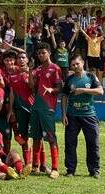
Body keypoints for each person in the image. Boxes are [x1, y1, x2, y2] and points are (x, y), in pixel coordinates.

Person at [61, 55, 103, 179]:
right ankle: (70, 170)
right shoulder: (69, 79)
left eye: (77, 64)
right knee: (70, 143)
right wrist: (63, 114)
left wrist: (84, 90)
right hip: (72, 116)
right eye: (73, 65)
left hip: (89, 115)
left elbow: (100, 91)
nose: (75, 66)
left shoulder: (91, 76)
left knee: (93, 143)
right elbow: (64, 96)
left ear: (83, 63)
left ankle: (94, 170)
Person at [28, 42, 62, 179]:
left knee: (51, 137)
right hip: (36, 106)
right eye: (39, 53)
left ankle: (55, 168)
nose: (41, 55)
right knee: (36, 137)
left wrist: (51, 90)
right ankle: (35, 166)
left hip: (48, 108)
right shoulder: (38, 69)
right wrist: (30, 70)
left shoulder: (55, 68)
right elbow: (31, 87)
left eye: (43, 52)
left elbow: (60, 88)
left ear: (49, 53)